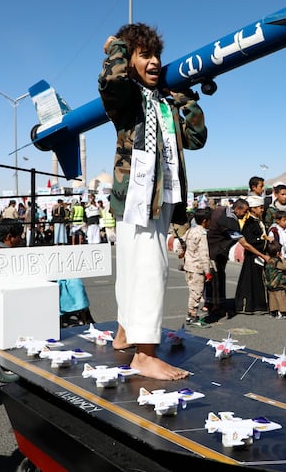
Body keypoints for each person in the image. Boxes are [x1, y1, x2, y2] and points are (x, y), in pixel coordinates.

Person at [98, 23, 207, 380]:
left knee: (132, 267)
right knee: (149, 269)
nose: (155, 62)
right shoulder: (126, 99)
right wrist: (115, 47)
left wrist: (187, 97)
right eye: (145, 55)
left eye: (157, 54)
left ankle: (126, 332)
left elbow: (196, 138)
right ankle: (144, 355)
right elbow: (112, 81)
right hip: (137, 196)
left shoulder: (166, 102)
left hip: (157, 197)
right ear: (129, 61)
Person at [207, 198, 267, 318]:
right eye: (244, 212)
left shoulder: (222, 210)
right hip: (215, 251)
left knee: (218, 278)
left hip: (219, 251)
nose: (245, 214)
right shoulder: (229, 222)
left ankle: (217, 304)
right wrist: (263, 255)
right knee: (215, 279)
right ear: (237, 209)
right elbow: (245, 243)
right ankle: (215, 307)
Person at [234, 195, 270, 314]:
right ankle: (249, 306)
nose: (262, 210)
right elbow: (250, 240)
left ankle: (260, 305)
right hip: (253, 256)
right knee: (251, 282)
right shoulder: (249, 223)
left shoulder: (259, 221)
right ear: (253, 209)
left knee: (259, 281)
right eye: (259, 207)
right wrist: (265, 241)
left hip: (260, 255)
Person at [181, 208, 211, 325]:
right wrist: (207, 271)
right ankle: (192, 315)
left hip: (188, 266)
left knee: (192, 291)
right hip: (197, 268)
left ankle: (191, 314)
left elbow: (180, 242)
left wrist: (180, 253)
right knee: (197, 293)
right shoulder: (202, 234)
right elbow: (204, 254)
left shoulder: (190, 231)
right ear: (205, 221)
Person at [264, 240, 286, 319]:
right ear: (277, 253)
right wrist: (284, 260)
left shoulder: (269, 261)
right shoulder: (276, 261)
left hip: (270, 283)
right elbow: (283, 267)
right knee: (281, 298)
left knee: (272, 298)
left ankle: (273, 312)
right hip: (278, 283)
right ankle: (284, 312)